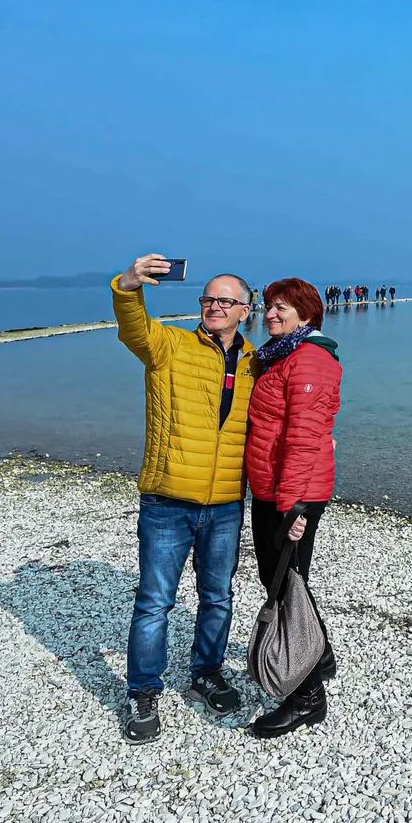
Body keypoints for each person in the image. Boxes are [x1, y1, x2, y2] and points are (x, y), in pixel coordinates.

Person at [113, 253, 256, 744]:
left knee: (218, 596)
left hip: (225, 504)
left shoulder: (259, 361)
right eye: (208, 298)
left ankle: (206, 673)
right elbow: (134, 329)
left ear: (245, 308)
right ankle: (143, 692)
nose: (214, 306)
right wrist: (129, 285)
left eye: (225, 300)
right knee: (155, 602)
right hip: (168, 499)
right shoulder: (168, 345)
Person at [243, 277, 343, 739]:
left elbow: (304, 438)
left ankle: (305, 700)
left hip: (291, 494)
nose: (271, 314)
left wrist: (295, 507)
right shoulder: (283, 355)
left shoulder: (309, 358)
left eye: (281, 307)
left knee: (283, 583)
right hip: (274, 487)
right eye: (267, 306)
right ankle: (319, 657)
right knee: (287, 579)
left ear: (307, 314)